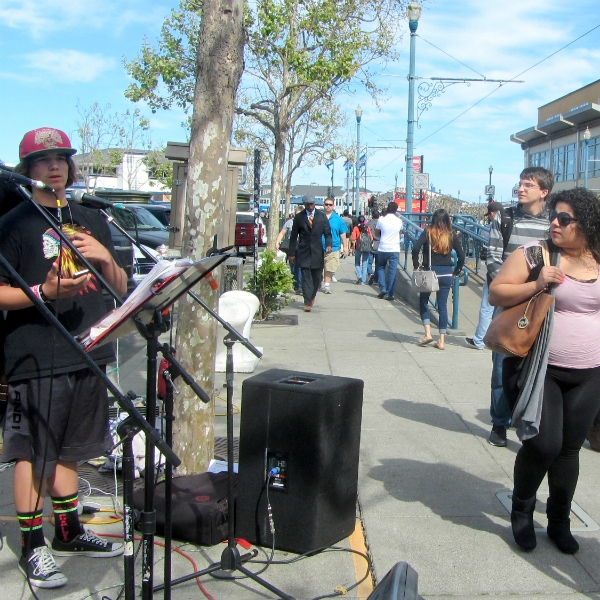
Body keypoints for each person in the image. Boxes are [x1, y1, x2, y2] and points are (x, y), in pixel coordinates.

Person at [0, 128, 127, 588]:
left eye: (61, 158)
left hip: (88, 349)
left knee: (73, 449)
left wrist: (104, 259)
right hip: (36, 355)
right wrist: (43, 292)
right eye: (43, 160)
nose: (55, 166)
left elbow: (118, 286)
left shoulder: (90, 218)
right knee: (33, 452)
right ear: (27, 169)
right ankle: (33, 549)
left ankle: (70, 532)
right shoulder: (14, 222)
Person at [489, 187, 600, 554]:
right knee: (545, 444)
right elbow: (495, 292)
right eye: (554, 215)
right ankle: (522, 511)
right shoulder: (536, 253)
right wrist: (537, 283)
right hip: (543, 369)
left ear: (586, 224)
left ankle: (558, 520)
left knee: (569, 450)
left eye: (564, 218)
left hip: (590, 372)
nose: (554, 222)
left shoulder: (598, 258)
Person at [486, 167, 553, 447]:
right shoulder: (506, 217)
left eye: (528, 185)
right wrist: (514, 289)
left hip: (545, 302)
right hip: (513, 301)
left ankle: (531, 423)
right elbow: (491, 255)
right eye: (520, 184)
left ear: (544, 192)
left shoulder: (553, 222)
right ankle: (499, 423)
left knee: (539, 366)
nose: (521, 189)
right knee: (504, 362)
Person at [412, 209, 464, 350]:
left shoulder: (428, 231)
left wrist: (417, 265)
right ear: (447, 220)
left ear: (434, 219)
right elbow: (461, 256)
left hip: (430, 272)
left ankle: (428, 334)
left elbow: (415, 248)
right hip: (447, 274)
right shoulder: (451, 234)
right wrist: (456, 271)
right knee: (442, 307)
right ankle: (441, 341)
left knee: (423, 301)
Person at [466, 201, 503, 350]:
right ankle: (496, 338)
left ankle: (480, 339)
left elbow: (482, 237)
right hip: (510, 272)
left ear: (493, 214)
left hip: (494, 272)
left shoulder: (490, 228)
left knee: (487, 307)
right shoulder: (513, 224)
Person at [288, 195, 331, 312]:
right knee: (306, 277)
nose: (310, 206)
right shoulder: (299, 218)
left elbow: (327, 234)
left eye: (312, 204)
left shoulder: (321, 217)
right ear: (305, 205)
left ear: (314, 204)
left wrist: (328, 245)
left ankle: (312, 296)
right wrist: (292, 253)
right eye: (307, 204)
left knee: (317, 277)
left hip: (317, 252)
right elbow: (293, 237)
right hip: (303, 251)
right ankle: (307, 301)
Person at [376, 201, 403, 301]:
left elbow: (377, 233)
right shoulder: (399, 221)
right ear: (396, 210)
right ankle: (389, 293)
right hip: (394, 248)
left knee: (380, 268)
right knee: (392, 271)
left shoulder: (381, 219)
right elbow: (400, 234)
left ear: (387, 209)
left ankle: (382, 288)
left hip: (383, 247)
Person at [320, 197, 348, 294]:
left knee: (329, 267)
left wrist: (345, 247)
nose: (328, 206)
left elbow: (343, 233)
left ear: (333, 206)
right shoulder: (318, 216)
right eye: (326, 204)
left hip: (333, 247)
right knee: (318, 267)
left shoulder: (337, 219)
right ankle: (318, 282)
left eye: (330, 205)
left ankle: (326, 285)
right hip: (318, 246)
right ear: (323, 205)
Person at [275, 205, 304, 293]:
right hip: (292, 246)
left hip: (302, 246)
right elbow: (282, 233)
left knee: (300, 267)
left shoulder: (306, 222)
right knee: (292, 267)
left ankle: (300, 287)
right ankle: (295, 285)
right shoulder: (289, 222)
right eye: (296, 214)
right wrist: (277, 242)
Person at [351, 216, 373, 285]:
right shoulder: (367, 228)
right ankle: (363, 281)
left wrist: (352, 248)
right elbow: (371, 238)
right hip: (366, 247)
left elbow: (353, 238)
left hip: (358, 247)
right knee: (365, 263)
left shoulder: (356, 228)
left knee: (357, 262)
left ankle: (359, 275)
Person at [366, 209, 380, 285]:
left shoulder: (368, 224)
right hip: (379, 244)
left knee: (369, 262)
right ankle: (376, 279)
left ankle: (370, 273)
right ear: (379, 216)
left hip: (370, 244)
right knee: (378, 263)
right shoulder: (381, 224)